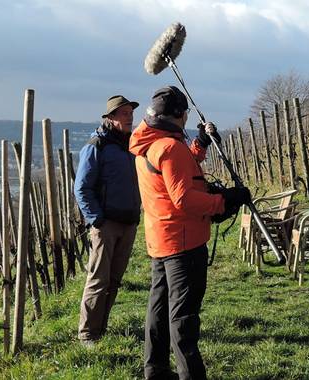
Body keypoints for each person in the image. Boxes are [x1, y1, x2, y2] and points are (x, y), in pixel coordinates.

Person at [129, 86, 251, 380]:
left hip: (161, 240)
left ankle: (155, 369)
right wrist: (225, 200)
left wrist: (200, 145)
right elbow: (184, 197)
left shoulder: (151, 143)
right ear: (178, 116)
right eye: (184, 115)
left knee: (158, 309)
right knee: (183, 315)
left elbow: (178, 172)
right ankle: (190, 374)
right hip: (184, 242)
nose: (186, 118)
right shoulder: (170, 148)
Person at [75, 94, 141, 346]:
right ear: (111, 118)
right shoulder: (96, 146)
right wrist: (96, 220)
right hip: (106, 225)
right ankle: (87, 334)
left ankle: (100, 328)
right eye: (124, 114)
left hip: (128, 222)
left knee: (114, 280)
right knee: (98, 279)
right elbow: (81, 187)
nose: (130, 118)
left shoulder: (130, 146)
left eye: (131, 113)